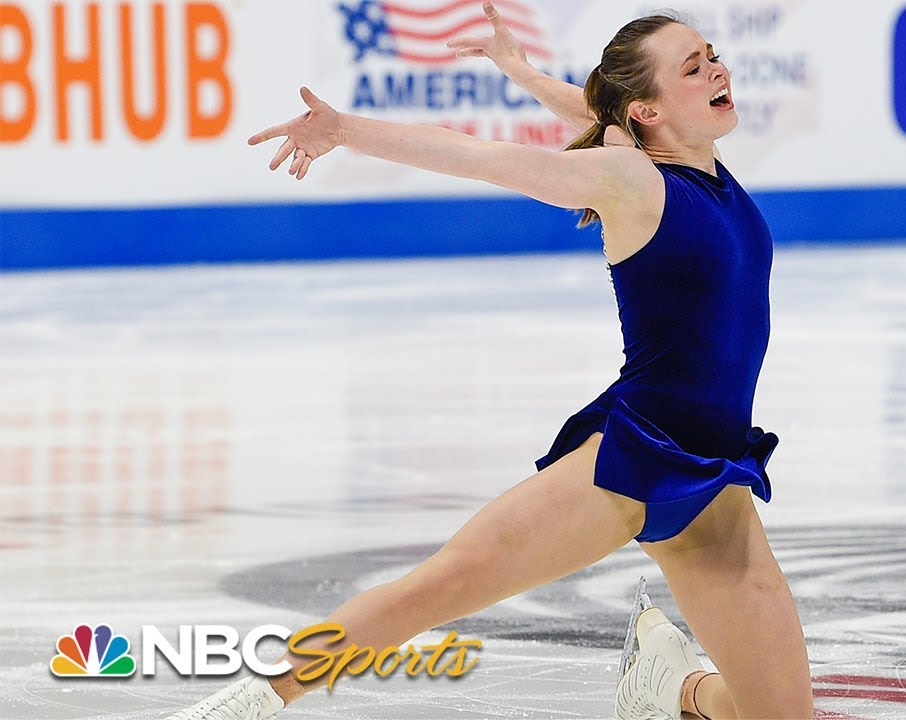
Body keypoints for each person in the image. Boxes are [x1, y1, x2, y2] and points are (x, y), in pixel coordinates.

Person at [166, 3, 813, 718]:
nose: (718, 68)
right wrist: (346, 130)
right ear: (650, 111)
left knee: (778, 714)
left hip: (716, 484)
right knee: (442, 585)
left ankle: (674, 686)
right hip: (634, 460)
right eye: (694, 67)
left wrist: (521, 71)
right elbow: (472, 153)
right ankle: (255, 699)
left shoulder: (694, 156)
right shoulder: (631, 182)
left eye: (712, 54)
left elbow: (599, 109)